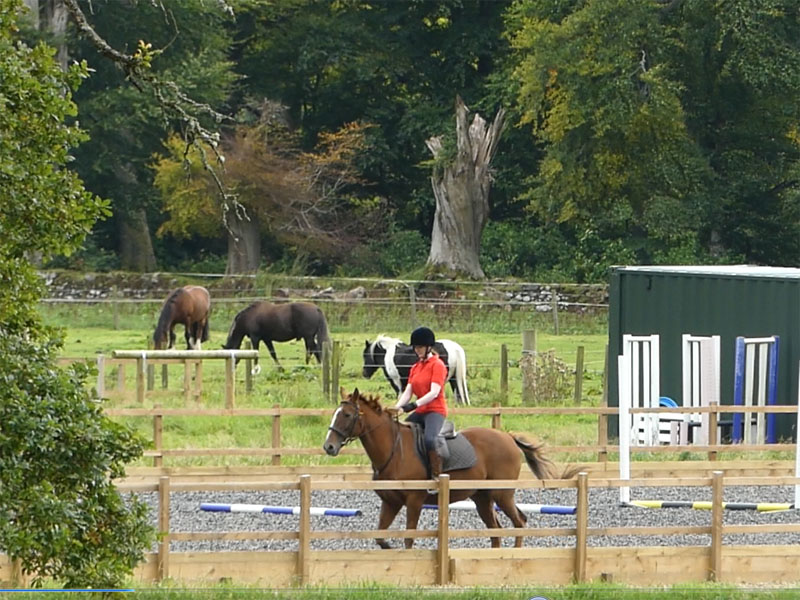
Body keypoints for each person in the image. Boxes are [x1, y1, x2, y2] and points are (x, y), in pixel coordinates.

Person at [389, 326, 448, 479]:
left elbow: (434, 393)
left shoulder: (438, 365)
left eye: (420, 347)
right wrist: (397, 408)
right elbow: (408, 391)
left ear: (429, 347)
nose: (417, 350)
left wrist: (413, 406)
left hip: (435, 411)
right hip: (421, 412)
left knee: (429, 439)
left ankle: (436, 474)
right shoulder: (415, 367)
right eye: (415, 347)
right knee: (399, 435)